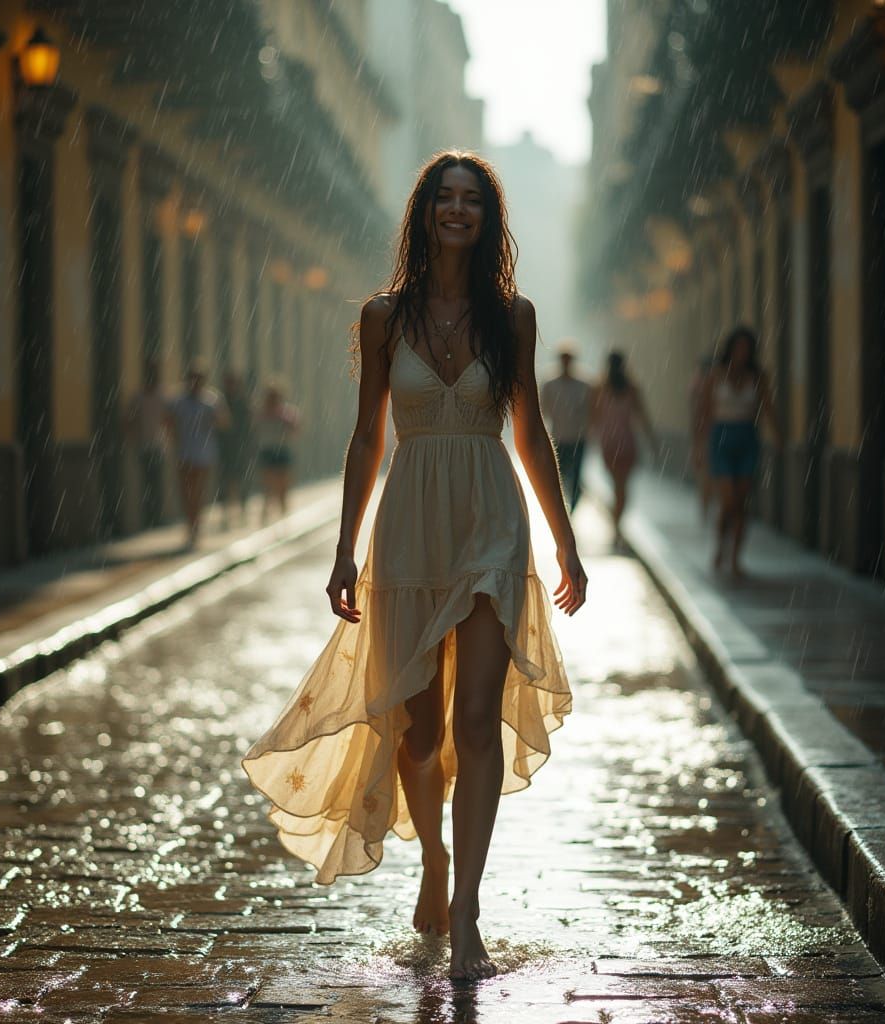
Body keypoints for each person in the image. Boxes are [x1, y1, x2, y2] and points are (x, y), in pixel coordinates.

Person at [242, 151, 587, 982]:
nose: (457, 211)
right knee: (420, 731)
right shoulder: (383, 317)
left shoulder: (513, 318)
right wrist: (342, 547)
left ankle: (467, 910)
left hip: (490, 523)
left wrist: (565, 539)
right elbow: (367, 437)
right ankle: (432, 855)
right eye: (445, 198)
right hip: (406, 531)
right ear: (426, 213)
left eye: (472, 200)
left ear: (486, 218)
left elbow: (532, 434)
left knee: (476, 725)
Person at [703, 326, 781, 578]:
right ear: (730, 349)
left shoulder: (758, 377)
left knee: (741, 503)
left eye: (746, 349)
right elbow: (704, 411)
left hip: (747, 438)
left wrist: (779, 436)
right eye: (738, 348)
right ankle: (720, 545)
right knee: (728, 501)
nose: (742, 353)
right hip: (721, 438)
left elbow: (768, 407)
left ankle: (735, 558)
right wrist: (698, 445)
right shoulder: (715, 374)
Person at [592, 350, 658, 547]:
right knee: (622, 488)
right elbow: (642, 416)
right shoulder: (629, 388)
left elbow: (593, 418)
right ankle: (617, 528)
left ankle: (616, 528)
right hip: (624, 443)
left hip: (612, 443)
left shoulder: (601, 388)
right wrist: (651, 440)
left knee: (618, 487)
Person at [166, 362, 229, 549]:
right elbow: (168, 422)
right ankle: (190, 526)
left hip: (204, 452)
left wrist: (215, 420)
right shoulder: (178, 401)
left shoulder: (211, 400)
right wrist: (173, 441)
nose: (194, 382)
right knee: (186, 493)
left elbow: (224, 422)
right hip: (184, 451)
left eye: (198, 379)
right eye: (192, 378)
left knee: (198, 492)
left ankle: (196, 527)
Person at [540, 342, 591, 512]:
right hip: (558, 438)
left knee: (576, 477)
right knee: (558, 477)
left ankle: (573, 508)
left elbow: (591, 410)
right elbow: (543, 410)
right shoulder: (549, 384)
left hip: (578, 438)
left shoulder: (584, 385)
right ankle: (561, 510)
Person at [125, 357, 169, 529]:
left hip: (158, 445)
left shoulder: (163, 395)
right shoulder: (138, 397)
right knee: (148, 482)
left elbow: (170, 419)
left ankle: (156, 516)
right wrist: (133, 438)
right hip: (144, 445)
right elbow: (128, 420)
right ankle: (150, 516)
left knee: (156, 481)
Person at [257, 381, 301, 523]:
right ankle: (266, 513)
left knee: (283, 484)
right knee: (268, 484)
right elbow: (255, 428)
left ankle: (283, 513)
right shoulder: (261, 412)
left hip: (282, 450)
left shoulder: (286, 412)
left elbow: (296, 428)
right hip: (268, 449)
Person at [218, 369, 255, 529]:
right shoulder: (221, 401)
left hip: (240, 447)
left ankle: (243, 509)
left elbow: (249, 426)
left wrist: (249, 445)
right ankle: (225, 513)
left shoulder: (243, 402)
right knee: (225, 479)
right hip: (225, 447)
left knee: (240, 479)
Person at [689, 354, 715, 523]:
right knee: (708, 476)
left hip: (709, 434)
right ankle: (707, 509)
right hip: (710, 434)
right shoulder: (702, 385)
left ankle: (706, 509)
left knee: (706, 477)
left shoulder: (698, 385)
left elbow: (695, 414)